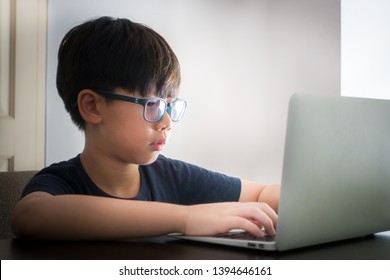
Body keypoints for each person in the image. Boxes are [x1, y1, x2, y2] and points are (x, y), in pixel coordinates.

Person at [11, 16, 280, 240]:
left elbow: (260, 194)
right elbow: (31, 217)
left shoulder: (171, 175)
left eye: (169, 106)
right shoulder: (61, 182)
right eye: (152, 105)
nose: (166, 123)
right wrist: (185, 218)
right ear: (92, 106)